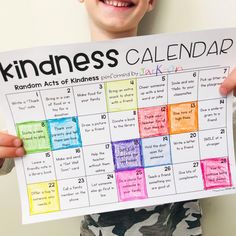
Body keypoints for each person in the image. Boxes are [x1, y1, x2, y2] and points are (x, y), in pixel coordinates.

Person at [0, 0, 236, 235]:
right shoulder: (43, 89)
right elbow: (13, 156)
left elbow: (221, 139)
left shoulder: (195, 75)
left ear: (151, 2)